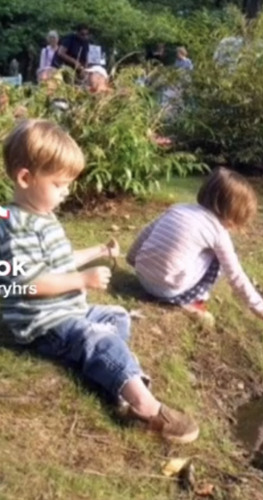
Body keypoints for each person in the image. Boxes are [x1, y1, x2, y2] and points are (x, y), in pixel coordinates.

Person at [0, 119, 199, 445]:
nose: (66, 192)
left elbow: (57, 261)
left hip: (67, 312)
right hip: (43, 325)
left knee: (116, 316)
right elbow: (29, 283)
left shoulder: (41, 216)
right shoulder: (14, 226)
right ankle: (144, 407)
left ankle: (106, 369)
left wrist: (98, 250)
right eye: (60, 184)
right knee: (96, 336)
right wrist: (81, 279)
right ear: (25, 178)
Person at [127, 167, 263, 325]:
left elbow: (145, 233)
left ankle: (171, 292)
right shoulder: (218, 232)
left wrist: (131, 258)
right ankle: (191, 300)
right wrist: (259, 307)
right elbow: (235, 275)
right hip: (168, 291)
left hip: (142, 278)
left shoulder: (178, 208)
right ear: (231, 215)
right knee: (219, 258)